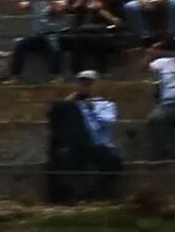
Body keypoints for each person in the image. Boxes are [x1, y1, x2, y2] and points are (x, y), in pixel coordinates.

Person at [44, 71, 121, 202]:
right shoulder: (72, 104)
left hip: (98, 146)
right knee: (61, 159)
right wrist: (67, 100)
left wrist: (92, 109)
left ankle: (94, 194)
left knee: (113, 161)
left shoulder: (106, 105)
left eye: (90, 84)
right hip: (78, 145)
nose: (86, 87)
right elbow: (53, 115)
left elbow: (108, 121)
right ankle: (74, 197)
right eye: (83, 84)